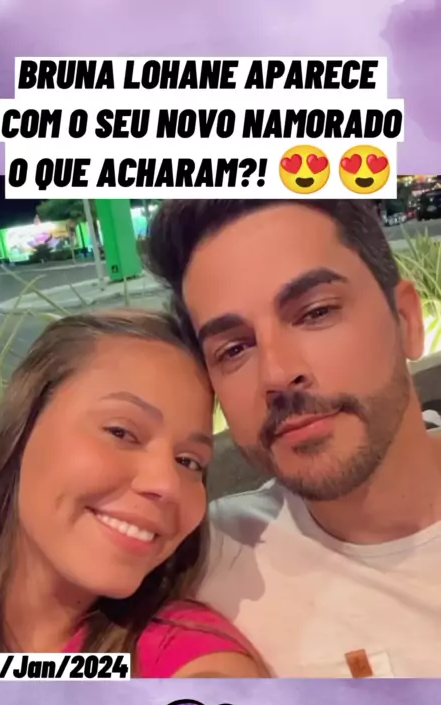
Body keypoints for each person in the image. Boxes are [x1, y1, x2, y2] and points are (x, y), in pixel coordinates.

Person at [145, 199, 441, 678]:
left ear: (406, 320)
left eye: (316, 313)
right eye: (234, 349)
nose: (277, 373)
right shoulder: (200, 561)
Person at [0, 309, 264, 678]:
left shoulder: (177, 655)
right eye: (121, 432)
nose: (166, 484)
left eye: (189, 461)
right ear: (23, 428)